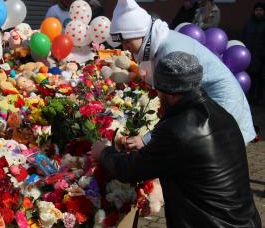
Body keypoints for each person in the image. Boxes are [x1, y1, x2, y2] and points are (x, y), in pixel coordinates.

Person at [91, 51, 261, 228]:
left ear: (168, 90)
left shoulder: (178, 130)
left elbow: (130, 170)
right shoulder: (221, 113)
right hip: (244, 221)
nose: (156, 93)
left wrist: (103, 152)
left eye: (157, 87)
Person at [109, 0, 255, 146]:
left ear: (141, 33)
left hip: (221, 105)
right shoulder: (158, 42)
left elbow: (180, 110)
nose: (125, 47)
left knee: (214, 154)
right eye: (121, 42)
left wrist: (147, 140)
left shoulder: (171, 53)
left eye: (127, 41)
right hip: (211, 103)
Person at [242, 2, 265, 104]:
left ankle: (260, 98)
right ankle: (250, 97)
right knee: (250, 76)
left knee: (260, 77)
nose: (258, 12)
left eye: (260, 10)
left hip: (261, 56)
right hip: (250, 54)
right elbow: (244, 36)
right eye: (257, 10)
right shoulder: (249, 23)